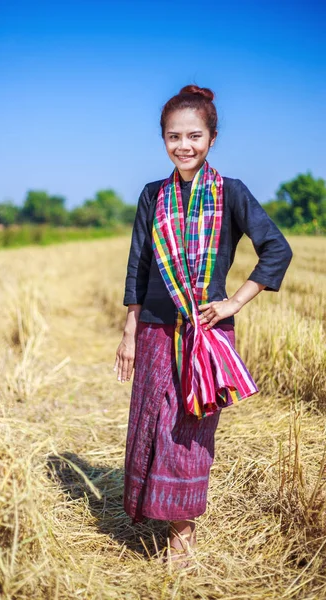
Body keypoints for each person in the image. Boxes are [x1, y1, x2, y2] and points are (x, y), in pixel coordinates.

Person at [113, 85, 293, 564]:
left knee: (191, 429)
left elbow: (277, 248)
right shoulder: (153, 196)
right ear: (163, 140)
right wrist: (129, 330)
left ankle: (181, 537)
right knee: (153, 422)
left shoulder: (231, 192)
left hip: (206, 334)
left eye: (194, 135)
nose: (184, 145)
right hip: (153, 329)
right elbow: (138, 266)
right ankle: (155, 513)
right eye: (174, 136)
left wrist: (236, 301)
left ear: (212, 138)